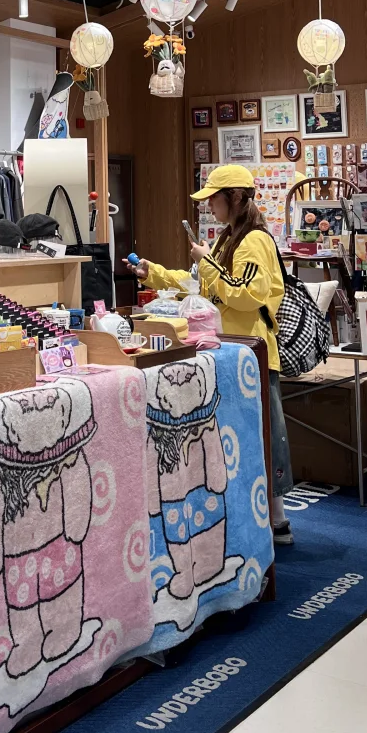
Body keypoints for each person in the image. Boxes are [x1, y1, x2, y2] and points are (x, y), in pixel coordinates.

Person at [124, 164, 295, 547]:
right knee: (244, 434)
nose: (209, 207)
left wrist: (208, 262)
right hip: (229, 351)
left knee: (263, 435)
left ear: (233, 198)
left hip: (251, 352)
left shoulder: (253, 241)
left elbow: (246, 294)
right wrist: (153, 273)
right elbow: (197, 285)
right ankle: (258, 519)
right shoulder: (228, 240)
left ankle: (278, 521)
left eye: (213, 199)